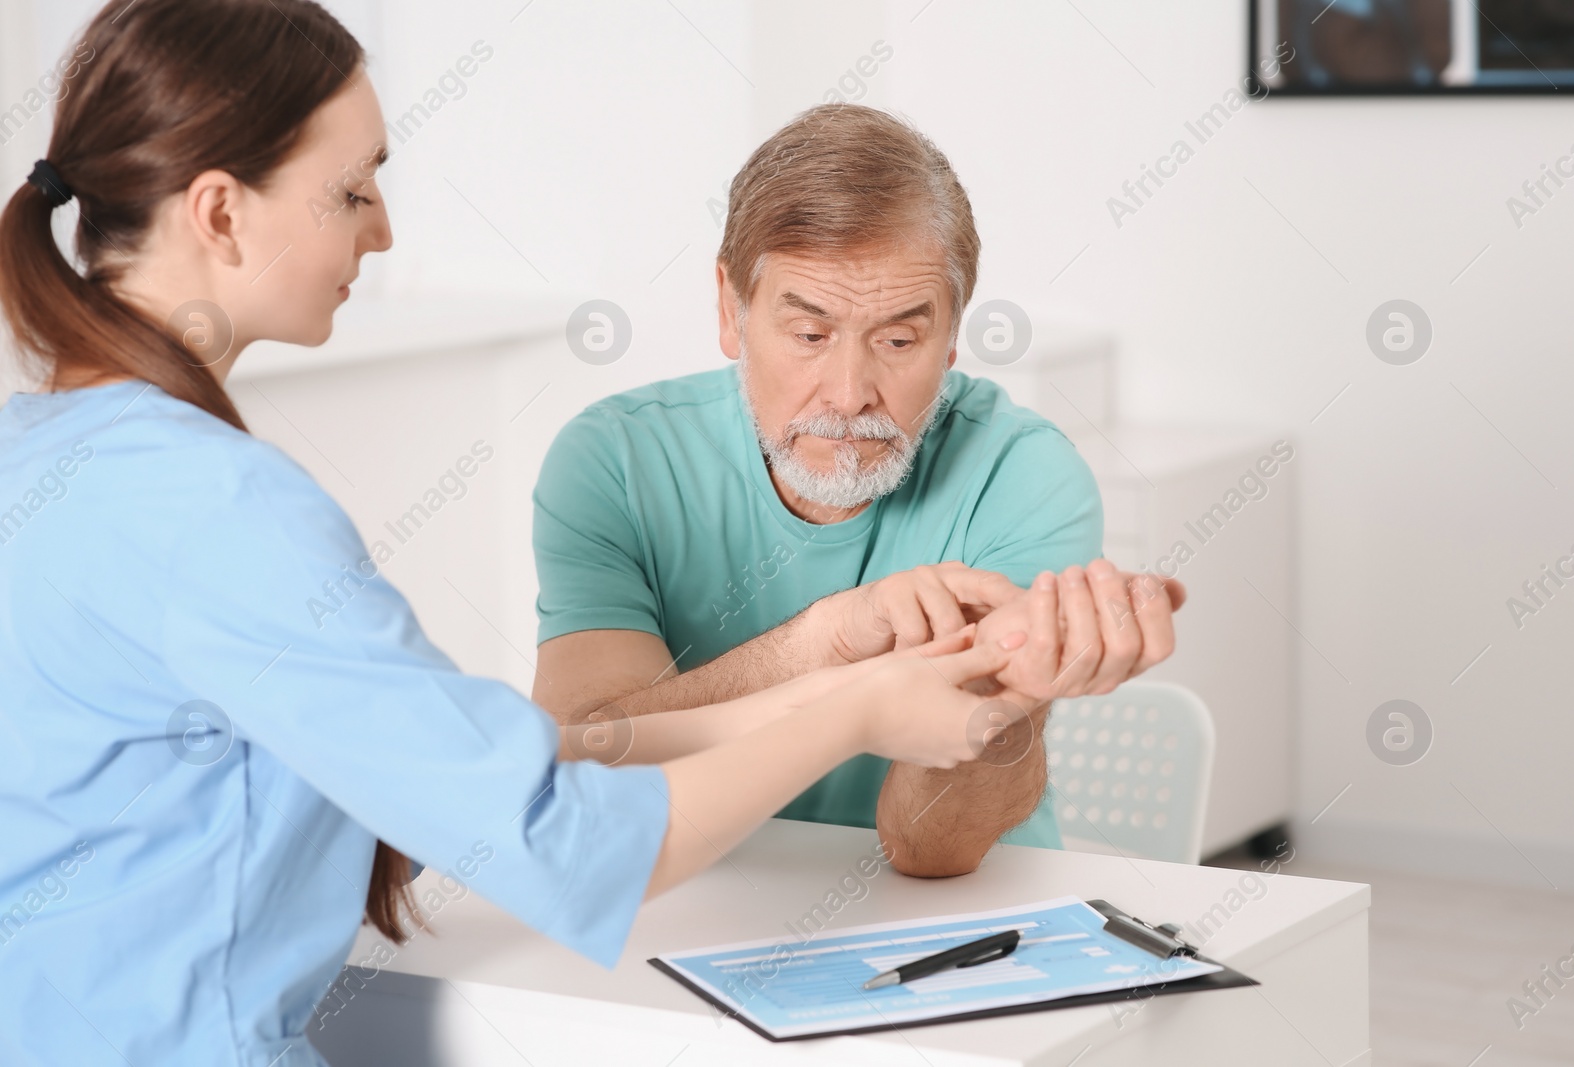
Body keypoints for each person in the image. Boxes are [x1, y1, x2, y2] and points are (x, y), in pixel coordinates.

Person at [0, 4, 1048, 1065]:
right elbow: (562, 839)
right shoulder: (210, 507)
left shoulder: (41, 456)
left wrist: (822, 673)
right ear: (220, 215)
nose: (382, 228)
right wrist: (859, 710)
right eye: (354, 188)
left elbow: (456, 759)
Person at [531, 104, 1186, 876]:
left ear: (951, 338)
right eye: (809, 335)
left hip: (947, 924)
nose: (848, 394)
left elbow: (927, 848)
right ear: (729, 310)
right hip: (681, 901)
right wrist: (826, 641)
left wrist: (1007, 702)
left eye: (899, 340)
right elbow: (579, 763)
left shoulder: (1027, 479)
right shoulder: (615, 461)